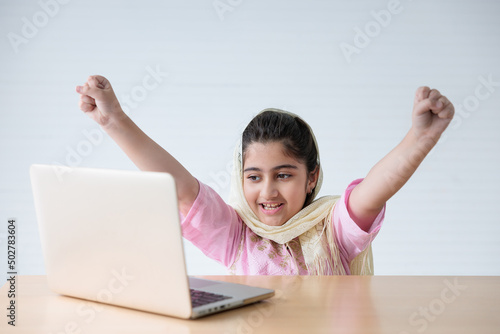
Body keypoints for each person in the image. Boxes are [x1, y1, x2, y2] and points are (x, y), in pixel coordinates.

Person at [76, 75, 454, 275]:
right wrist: (114, 121)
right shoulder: (236, 235)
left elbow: (372, 191)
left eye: (284, 175)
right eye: (254, 176)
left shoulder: (333, 230)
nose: (267, 190)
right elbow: (182, 189)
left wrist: (419, 139)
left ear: (311, 178)